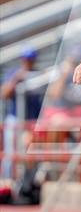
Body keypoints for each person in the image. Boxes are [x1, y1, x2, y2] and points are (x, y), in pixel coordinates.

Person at [0, 46, 42, 179]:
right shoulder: (14, 73)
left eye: (30, 59)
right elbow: (4, 94)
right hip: (15, 119)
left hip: (32, 122)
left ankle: (28, 184)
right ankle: (7, 184)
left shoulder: (39, 74)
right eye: (25, 59)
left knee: (30, 154)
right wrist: (16, 79)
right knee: (11, 154)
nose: (28, 62)